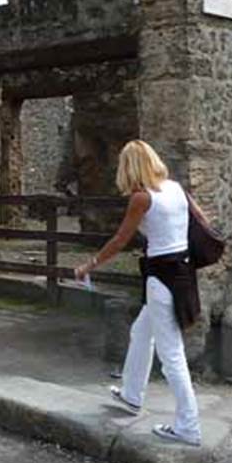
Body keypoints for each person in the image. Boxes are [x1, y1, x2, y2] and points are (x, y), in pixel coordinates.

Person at [75, 140, 205, 446]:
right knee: (141, 332)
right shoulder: (176, 188)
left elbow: (120, 240)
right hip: (182, 273)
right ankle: (132, 395)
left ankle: (188, 426)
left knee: (171, 355)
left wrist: (89, 264)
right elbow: (201, 219)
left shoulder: (142, 198)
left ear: (129, 167)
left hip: (160, 277)